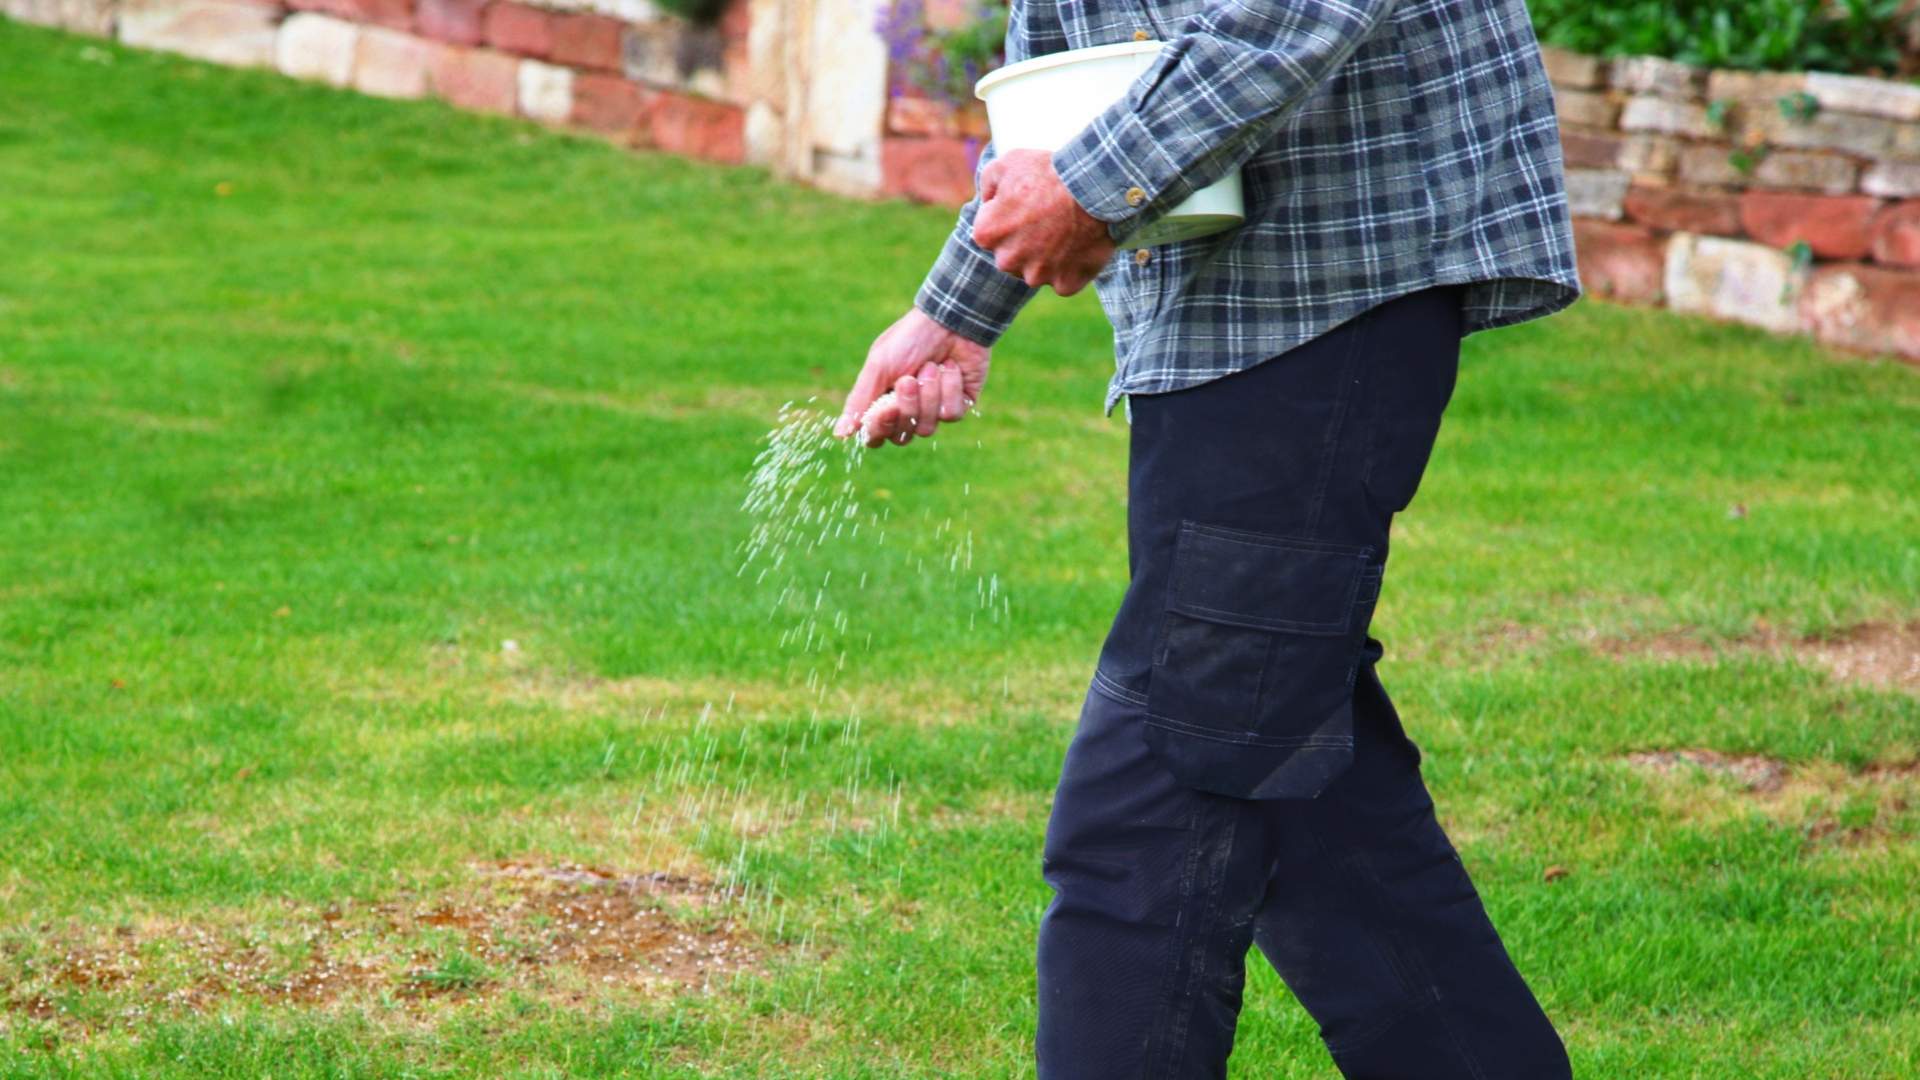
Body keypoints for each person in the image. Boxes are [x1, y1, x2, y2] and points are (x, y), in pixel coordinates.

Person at [834, 0, 1581, 1074]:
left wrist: (1091, 190)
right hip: (1209, 316)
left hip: (1329, 285)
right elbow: (1063, 65)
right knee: (1297, 775)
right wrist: (960, 306)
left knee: (1151, 804)